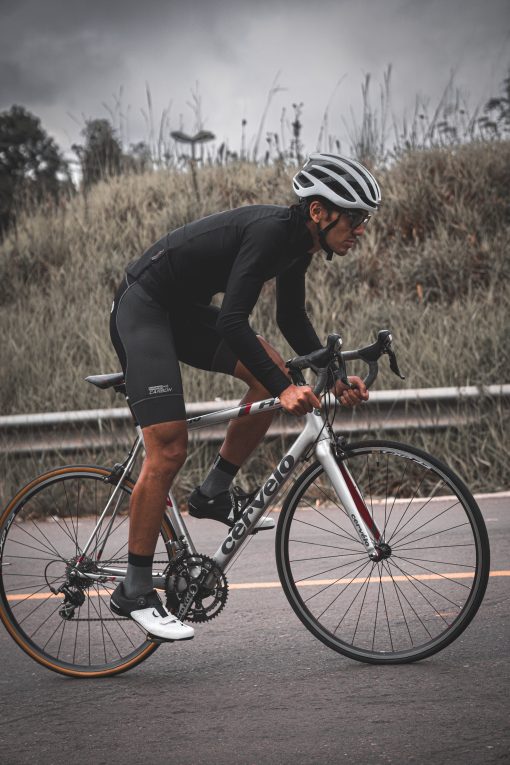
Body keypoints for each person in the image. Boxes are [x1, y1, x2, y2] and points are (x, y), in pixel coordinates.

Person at [108, 153, 381, 640]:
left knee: (273, 370)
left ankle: (213, 492)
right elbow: (234, 321)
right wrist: (286, 390)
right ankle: (134, 590)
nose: (360, 229)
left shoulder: (299, 243)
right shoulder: (271, 233)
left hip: (183, 312)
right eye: (355, 217)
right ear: (319, 211)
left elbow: (290, 319)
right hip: (145, 307)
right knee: (168, 447)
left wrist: (335, 376)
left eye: (365, 219)